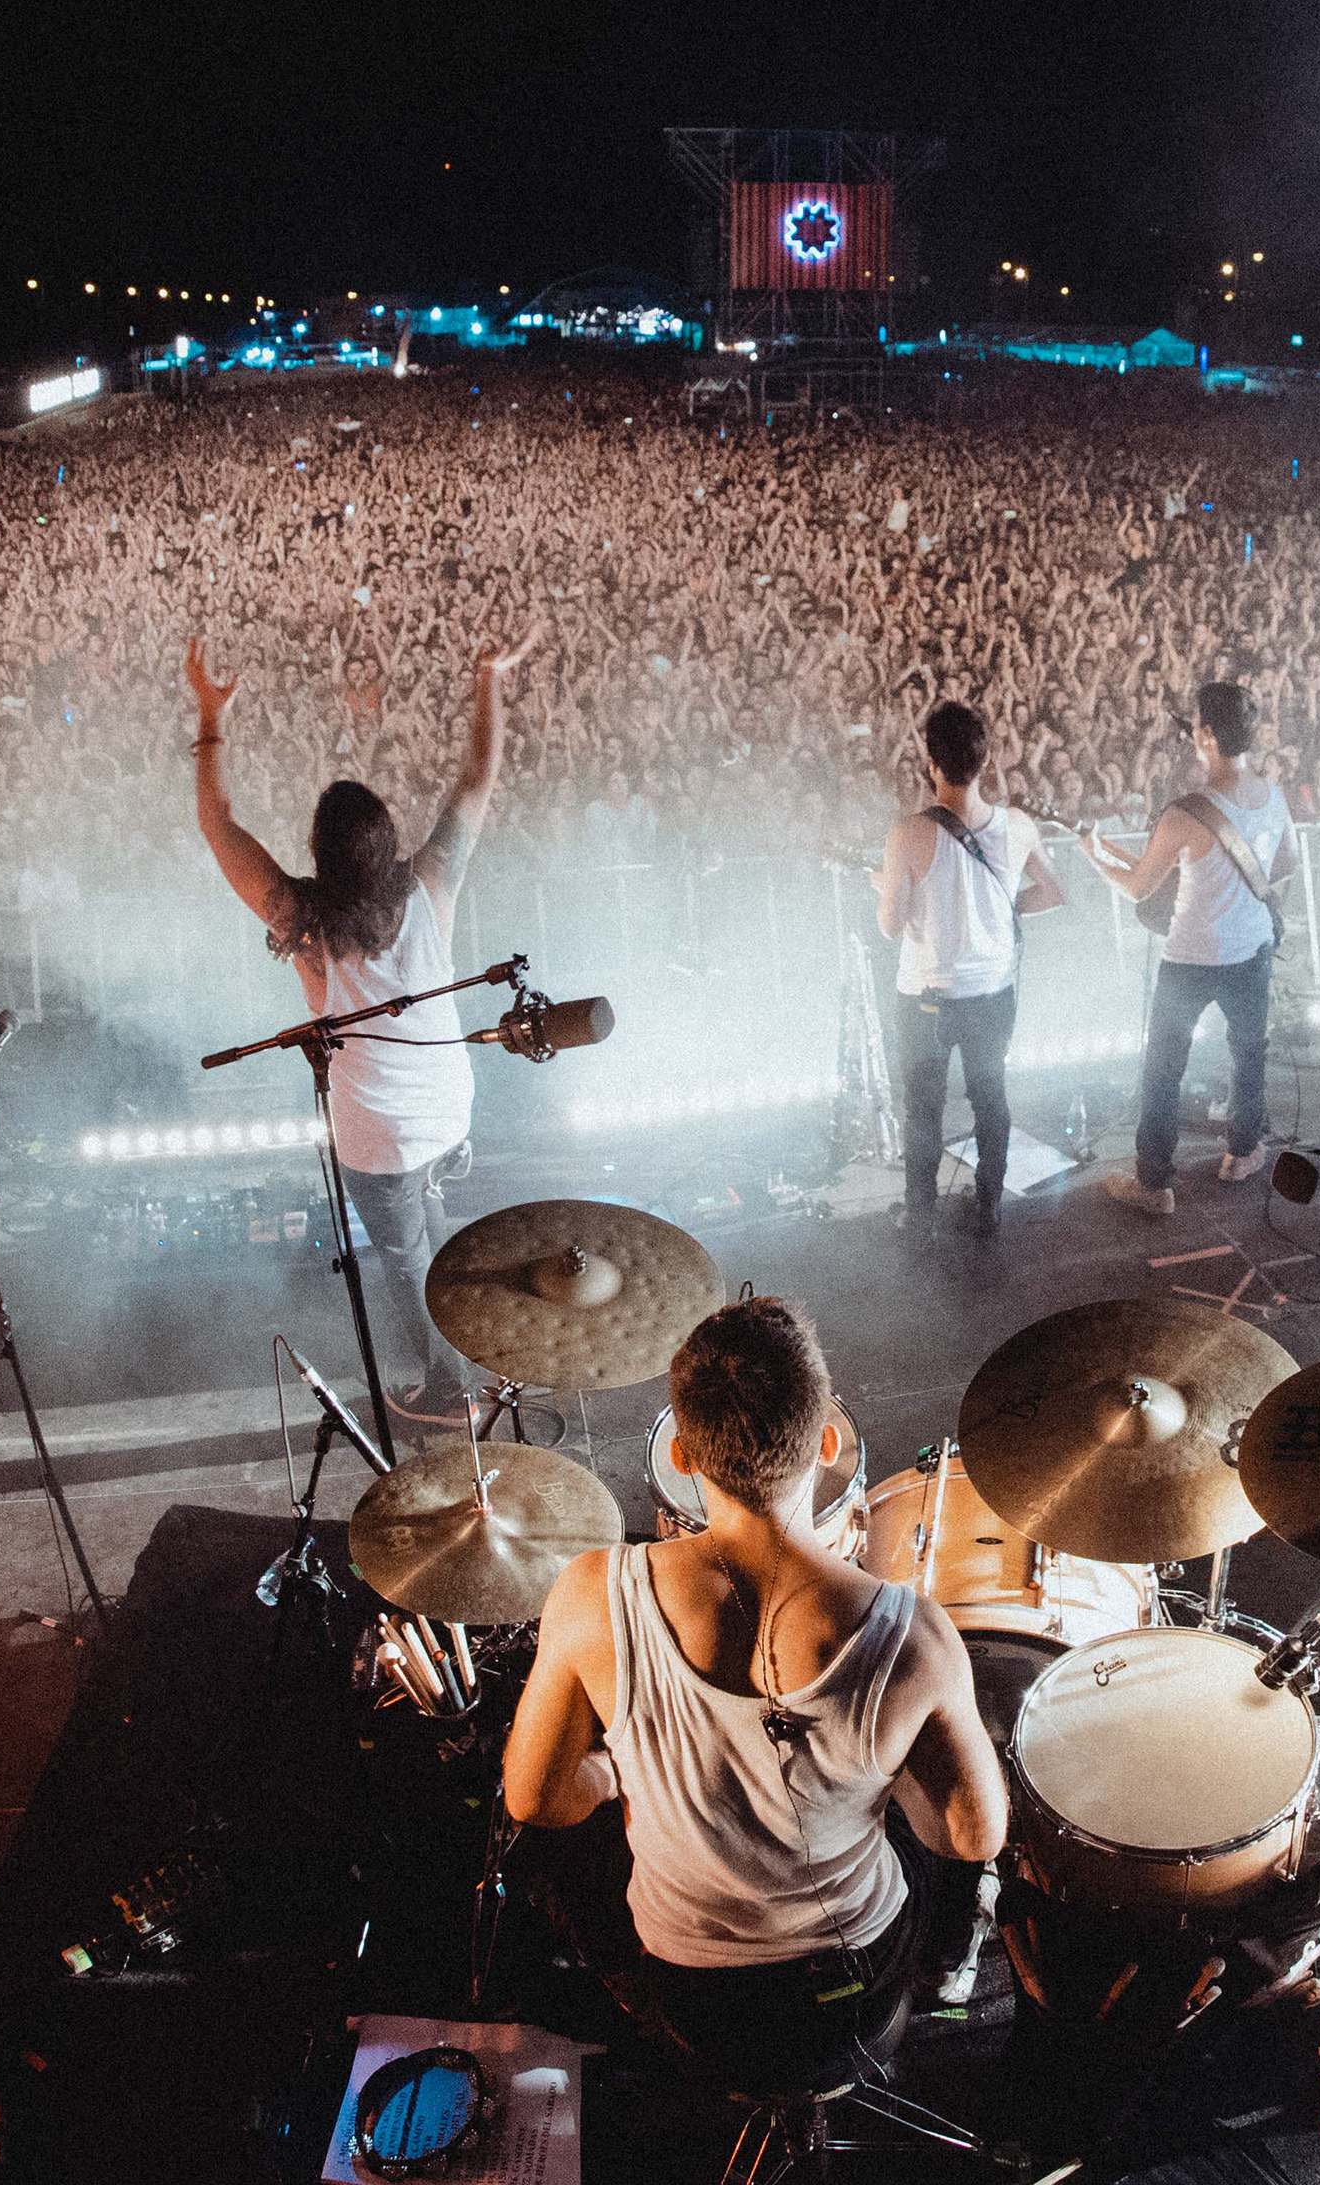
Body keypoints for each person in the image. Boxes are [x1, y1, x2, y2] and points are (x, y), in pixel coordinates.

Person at [500, 1297, 1003, 2080]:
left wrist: (607, 1774)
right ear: (828, 1442)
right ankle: (945, 1981)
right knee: (931, 1854)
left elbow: (534, 1800)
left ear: (683, 1457)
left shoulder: (594, 1594)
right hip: (853, 1977)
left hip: (694, 1987)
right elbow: (972, 1837)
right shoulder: (917, 1637)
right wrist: (882, 1773)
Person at [188, 622, 532, 1418]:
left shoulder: (303, 922)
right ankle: (471, 1350)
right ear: (385, 841)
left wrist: (211, 715)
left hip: (377, 1139)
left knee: (409, 1261)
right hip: (448, 1109)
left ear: (322, 854)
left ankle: (448, 1389)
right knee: (438, 1234)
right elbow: (476, 780)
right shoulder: (431, 885)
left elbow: (218, 826)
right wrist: (488, 676)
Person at [1077, 680, 1294, 1217]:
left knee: (1164, 1070)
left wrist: (1093, 854)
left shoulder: (1185, 813)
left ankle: (1154, 1183)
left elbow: (1139, 887)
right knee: (1249, 1055)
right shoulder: (1273, 797)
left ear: (1208, 736)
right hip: (1251, 952)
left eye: (1196, 725)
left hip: (1189, 960)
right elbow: (1286, 864)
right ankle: (1241, 1154)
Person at [870, 699, 1066, 1237]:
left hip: (926, 998)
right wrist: (1001, 910)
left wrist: (886, 888)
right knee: (990, 1097)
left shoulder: (907, 834)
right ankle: (988, 1205)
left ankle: (921, 1215)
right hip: (993, 993)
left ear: (932, 764)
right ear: (985, 761)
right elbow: (1054, 891)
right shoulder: (1018, 826)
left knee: (923, 1110)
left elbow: (891, 925)